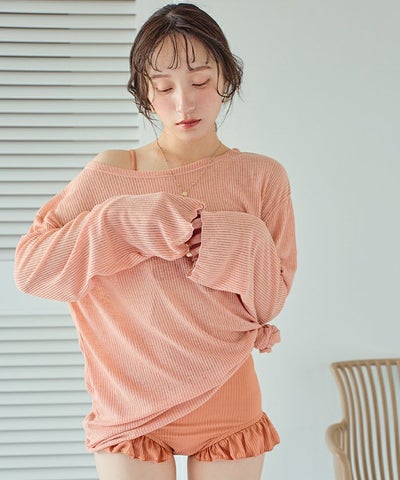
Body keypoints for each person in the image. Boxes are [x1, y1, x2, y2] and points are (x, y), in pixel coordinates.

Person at [14, 3, 297, 480]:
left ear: (226, 78)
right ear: (145, 92)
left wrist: (236, 236)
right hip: (128, 405)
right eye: (164, 87)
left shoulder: (262, 176)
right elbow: (32, 271)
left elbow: (271, 301)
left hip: (228, 399)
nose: (184, 103)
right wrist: (122, 220)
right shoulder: (112, 172)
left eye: (200, 81)